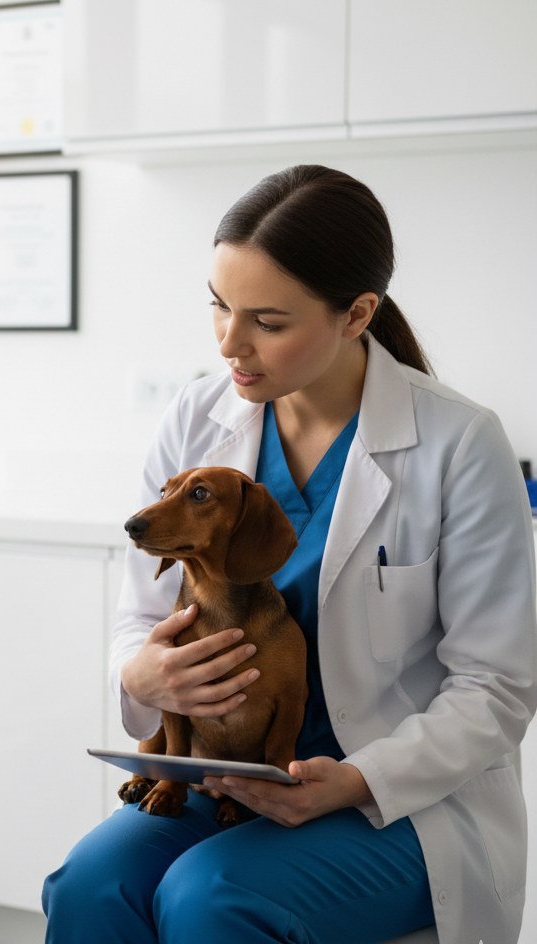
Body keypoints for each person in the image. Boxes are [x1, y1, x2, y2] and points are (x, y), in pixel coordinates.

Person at [42, 165, 536, 944]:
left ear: (356, 314)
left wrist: (357, 780)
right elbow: (138, 618)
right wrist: (140, 673)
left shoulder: (460, 445)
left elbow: (497, 687)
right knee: (91, 885)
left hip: (396, 799)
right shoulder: (196, 420)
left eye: (267, 322)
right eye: (218, 306)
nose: (231, 343)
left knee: (214, 898)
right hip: (224, 776)